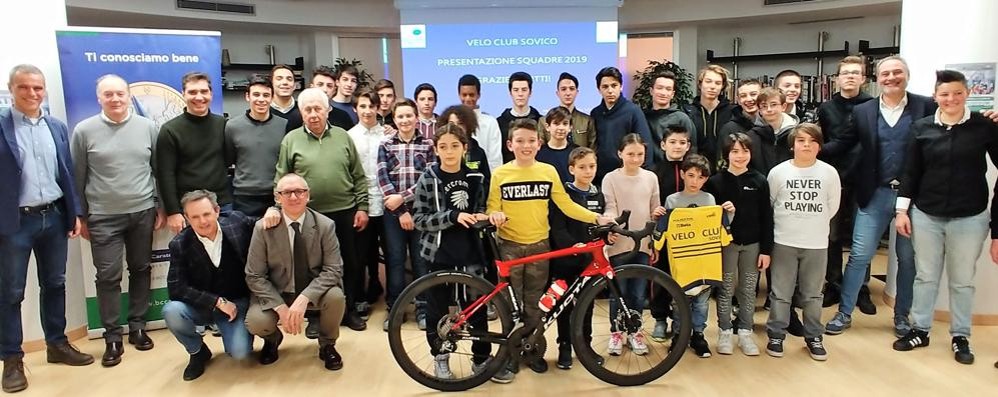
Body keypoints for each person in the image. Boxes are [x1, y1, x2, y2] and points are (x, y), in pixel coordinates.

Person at [822, 56, 936, 337]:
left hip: (912, 198)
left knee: (907, 260)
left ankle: (901, 316)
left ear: (907, 75)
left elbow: (951, 124)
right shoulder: (864, 111)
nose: (891, 78)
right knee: (859, 256)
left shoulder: (926, 106)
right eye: (885, 73)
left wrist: (985, 119)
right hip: (874, 194)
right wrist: (809, 149)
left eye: (897, 72)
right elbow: (842, 142)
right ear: (877, 79)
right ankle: (844, 313)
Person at [486, 118, 608, 381]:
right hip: (509, 246)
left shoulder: (548, 171)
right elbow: (491, 207)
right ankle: (508, 358)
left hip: (541, 246)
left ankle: (532, 352)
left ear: (539, 144)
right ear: (510, 144)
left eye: (531, 141)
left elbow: (565, 205)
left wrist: (595, 218)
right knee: (509, 305)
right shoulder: (500, 174)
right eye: (520, 141)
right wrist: (494, 214)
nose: (526, 145)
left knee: (535, 304)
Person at [892, 70, 998, 365]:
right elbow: (910, 171)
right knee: (925, 276)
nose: (951, 99)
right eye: (944, 94)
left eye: (957, 93)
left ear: (967, 94)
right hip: (927, 214)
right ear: (935, 96)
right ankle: (920, 329)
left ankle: (960, 335)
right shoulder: (921, 127)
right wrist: (902, 211)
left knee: (962, 280)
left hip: (970, 217)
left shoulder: (984, 126)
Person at [1, 64, 92, 394]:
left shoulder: (55, 126)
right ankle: (11, 359)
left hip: (53, 217)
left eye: (38, 88)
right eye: (24, 87)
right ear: (12, 89)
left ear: (45, 91)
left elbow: (66, 174)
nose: (32, 93)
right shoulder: (1, 124)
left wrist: (74, 214)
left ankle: (57, 344)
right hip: (14, 222)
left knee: (55, 283)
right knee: (11, 292)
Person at [70, 74, 161, 367]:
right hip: (103, 217)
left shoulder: (148, 128)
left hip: (142, 211)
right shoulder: (84, 131)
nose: (116, 99)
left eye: (120, 94)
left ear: (128, 95)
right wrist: (81, 216)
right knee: (108, 277)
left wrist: (158, 204)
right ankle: (112, 336)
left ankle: (137, 326)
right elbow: (78, 177)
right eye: (108, 95)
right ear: (99, 98)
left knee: (141, 268)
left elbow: (157, 169)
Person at [275, 88, 369, 332]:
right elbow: (282, 177)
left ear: (328, 111)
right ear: (301, 113)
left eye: (318, 108)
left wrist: (363, 207)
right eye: (308, 110)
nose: (313, 114)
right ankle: (315, 317)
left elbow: (358, 175)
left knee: (349, 263)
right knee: (311, 267)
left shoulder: (343, 136)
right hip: (308, 215)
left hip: (345, 211)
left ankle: (348, 312)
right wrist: (278, 208)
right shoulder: (291, 140)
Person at [411, 123, 490, 379]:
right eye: (443, 147)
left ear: (465, 148)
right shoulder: (428, 178)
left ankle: (481, 359)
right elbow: (420, 219)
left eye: (455, 146)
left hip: (472, 255)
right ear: (436, 149)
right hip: (438, 255)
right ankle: (441, 357)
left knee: (476, 310)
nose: (449, 152)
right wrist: (452, 216)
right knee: (437, 311)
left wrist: (485, 217)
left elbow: (481, 210)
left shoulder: (476, 178)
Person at [245, 173, 347, 370]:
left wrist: (304, 298)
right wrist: (280, 307)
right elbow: (254, 275)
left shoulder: (325, 225)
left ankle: (327, 345)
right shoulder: (262, 228)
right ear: (278, 197)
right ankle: (272, 340)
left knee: (336, 297)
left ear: (308, 195)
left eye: (299, 192)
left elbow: (334, 270)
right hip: (279, 292)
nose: (293, 197)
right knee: (256, 321)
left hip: (313, 291)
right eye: (287, 192)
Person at [161, 190, 256, 381]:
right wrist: (217, 302)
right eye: (195, 217)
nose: (202, 221)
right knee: (171, 311)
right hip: (203, 307)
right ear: (187, 218)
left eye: (206, 214)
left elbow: (263, 223)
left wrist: (274, 210)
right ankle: (197, 352)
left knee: (239, 353)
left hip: (237, 303)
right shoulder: (179, 244)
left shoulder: (237, 223)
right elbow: (176, 288)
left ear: (217, 211)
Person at [766, 123, 840, 361]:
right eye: (801, 140)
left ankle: (814, 336)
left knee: (813, 294)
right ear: (792, 145)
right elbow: (771, 204)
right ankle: (776, 334)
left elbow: (832, 206)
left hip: (816, 242)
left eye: (812, 141)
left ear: (819, 146)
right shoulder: (778, 173)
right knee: (780, 293)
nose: (806, 145)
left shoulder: (829, 173)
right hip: (784, 240)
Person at [815, 56, 875, 309]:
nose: (850, 76)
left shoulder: (874, 105)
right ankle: (834, 285)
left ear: (863, 78)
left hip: (865, 178)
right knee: (832, 237)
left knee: (863, 237)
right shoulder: (826, 108)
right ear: (837, 78)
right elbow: (822, 144)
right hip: (833, 179)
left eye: (855, 73)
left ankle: (861, 288)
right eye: (845, 73)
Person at [705, 133, 773, 356]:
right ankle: (725, 330)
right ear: (727, 154)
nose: (740, 156)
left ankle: (745, 330)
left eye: (744, 151)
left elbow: (767, 218)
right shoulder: (715, 182)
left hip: (752, 244)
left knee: (748, 289)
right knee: (725, 288)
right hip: (726, 245)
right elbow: (710, 217)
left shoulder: (760, 181)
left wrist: (765, 250)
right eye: (734, 151)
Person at [665, 154, 735, 358]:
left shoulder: (709, 199)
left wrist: (728, 214)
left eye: (701, 177)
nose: (695, 181)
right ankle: (679, 335)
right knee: (679, 302)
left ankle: (698, 335)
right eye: (691, 175)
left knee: (701, 303)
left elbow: (719, 228)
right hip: (682, 263)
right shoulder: (672, 200)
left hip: (705, 263)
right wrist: (658, 217)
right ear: (682, 174)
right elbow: (666, 229)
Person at [602, 134, 664, 358]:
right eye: (630, 154)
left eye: (640, 154)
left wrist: (654, 239)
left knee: (638, 293)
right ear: (620, 154)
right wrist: (610, 224)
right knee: (618, 292)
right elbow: (610, 207)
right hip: (619, 244)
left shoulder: (651, 178)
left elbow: (655, 208)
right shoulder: (610, 178)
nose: (635, 158)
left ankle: (635, 331)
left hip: (643, 244)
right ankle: (616, 332)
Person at [378, 99, 435, 331]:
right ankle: (396, 309)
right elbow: (383, 179)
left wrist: (404, 199)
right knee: (395, 261)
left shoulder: (428, 145)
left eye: (409, 116)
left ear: (416, 117)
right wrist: (400, 209)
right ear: (394, 119)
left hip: (421, 212)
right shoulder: (385, 145)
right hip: (393, 214)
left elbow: (429, 178)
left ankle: (423, 308)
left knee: (422, 262)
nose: (405, 120)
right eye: (400, 116)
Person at [156, 71, 231, 234]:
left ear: (211, 94)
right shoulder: (170, 130)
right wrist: (173, 211)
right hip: (189, 210)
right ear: (183, 94)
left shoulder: (224, 125)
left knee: (229, 257)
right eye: (192, 92)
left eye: (204, 91)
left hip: (222, 205)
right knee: (195, 258)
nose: (199, 97)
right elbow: (165, 174)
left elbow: (229, 160)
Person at [548, 147, 602, 370]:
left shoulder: (598, 195)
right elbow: (557, 228)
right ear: (572, 169)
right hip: (566, 260)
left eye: (592, 166)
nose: (588, 171)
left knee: (587, 304)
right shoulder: (564, 195)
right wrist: (572, 246)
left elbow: (599, 225)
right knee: (564, 305)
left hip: (589, 261)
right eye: (582, 167)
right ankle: (564, 347)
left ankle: (585, 345)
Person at [346, 90, 387, 318]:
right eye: (363, 106)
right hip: (361, 202)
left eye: (372, 106)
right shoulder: (349, 136)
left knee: (390, 252)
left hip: (386, 202)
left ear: (378, 108)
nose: (368, 111)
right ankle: (360, 297)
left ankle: (384, 291)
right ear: (356, 109)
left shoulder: (388, 135)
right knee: (361, 252)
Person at [650, 125, 692, 341]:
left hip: (688, 237)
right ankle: (659, 319)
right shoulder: (654, 172)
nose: (677, 146)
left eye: (682, 142)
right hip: (663, 237)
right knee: (660, 277)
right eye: (673, 142)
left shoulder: (694, 171)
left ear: (688, 146)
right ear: (663, 144)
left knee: (685, 279)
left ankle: (682, 321)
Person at [224, 77, 287, 217]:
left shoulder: (284, 125)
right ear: (247, 96)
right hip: (244, 197)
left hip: (276, 195)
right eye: (256, 94)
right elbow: (229, 160)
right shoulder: (232, 126)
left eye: (266, 95)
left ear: (272, 98)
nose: (261, 99)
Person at [591, 66, 653, 184]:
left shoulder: (633, 111)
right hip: (601, 177)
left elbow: (645, 145)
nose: (610, 90)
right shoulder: (595, 113)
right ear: (599, 89)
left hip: (629, 176)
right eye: (605, 87)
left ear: (621, 86)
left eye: (614, 86)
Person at [686, 64, 735, 171]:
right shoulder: (688, 112)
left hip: (724, 171)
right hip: (695, 171)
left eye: (718, 83)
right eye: (708, 81)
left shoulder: (732, 112)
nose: (712, 86)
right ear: (700, 84)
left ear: (722, 87)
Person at [644, 71, 697, 163]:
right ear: (651, 91)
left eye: (668, 89)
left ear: (672, 94)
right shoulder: (643, 117)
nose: (663, 93)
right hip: (648, 171)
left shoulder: (682, 118)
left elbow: (692, 149)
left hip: (675, 170)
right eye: (659, 88)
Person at [459, 74, 506, 172]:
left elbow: (495, 159)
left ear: (478, 95)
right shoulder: (452, 121)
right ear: (459, 95)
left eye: (471, 95)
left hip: (484, 180)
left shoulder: (490, 122)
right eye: (464, 95)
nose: (468, 99)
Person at [746, 87, 798, 175]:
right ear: (760, 110)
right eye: (764, 106)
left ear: (783, 106)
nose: (769, 109)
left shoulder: (797, 134)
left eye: (773, 104)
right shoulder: (751, 137)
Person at [438, 105, 491, 188]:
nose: (455, 127)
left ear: (468, 125)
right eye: (451, 123)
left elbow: (486, 181)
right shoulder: (442, 150)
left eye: (460, 124)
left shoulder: (478, 152)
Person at [538, 72, 595, 148]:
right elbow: (540, 149)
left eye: (571, 89)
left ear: (577, 92)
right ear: (558, 93)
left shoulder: (587, 120)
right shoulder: (543, 121)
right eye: (563, 89)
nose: (568, 93)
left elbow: (592, 149)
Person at [497, 72, 542, 163]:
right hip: (509, 173)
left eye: (524, 90)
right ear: (510, 93)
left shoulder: (540, 121)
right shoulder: (499, 123)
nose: (520, 94)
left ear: (530, 92)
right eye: (516, 90)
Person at [535, 106, 578, 183]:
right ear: (547, 127)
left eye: (565, 124)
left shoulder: (577, 152)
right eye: (556, 123)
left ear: (570, 127)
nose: (561, 128)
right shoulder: (538, 153)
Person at [270, 64, 302, 131]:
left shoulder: (304, 109)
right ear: (271, 84)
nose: (285, 82)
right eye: (279, 79)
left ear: (294, 86)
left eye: (289, 79)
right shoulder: (263, 111)